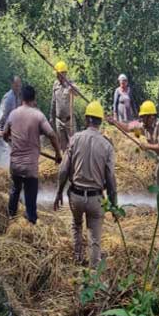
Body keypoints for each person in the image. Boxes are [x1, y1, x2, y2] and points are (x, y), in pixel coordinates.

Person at [54, 101, 117, 267]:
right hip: (96, 199)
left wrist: (59, 192)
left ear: (87, 119)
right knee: (95, 238)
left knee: (76, 225)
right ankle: (93, 271)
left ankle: (77, 257)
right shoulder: (107, 145)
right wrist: (114, 205)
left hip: (76, 196)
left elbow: (63, 170)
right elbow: (110, 179)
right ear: (100, 121)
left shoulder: (75, 139)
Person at [3, 85, 62, 224]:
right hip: (30, 167)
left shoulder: (13, 114)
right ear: (34, 99)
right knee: (30, 197)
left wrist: (10, 140)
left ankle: (11, 218)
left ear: (21, 98)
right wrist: (58, 154)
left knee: (15, 190)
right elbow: (52, 134)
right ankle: (31, 223)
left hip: (15, 165)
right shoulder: (38, 115)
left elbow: (5, 134)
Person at [110, 100, 159, 197]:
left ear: (151, 117)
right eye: (142, 117)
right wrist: (114, 122)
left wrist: (147, 146)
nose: (142, 119)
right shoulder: (144, 127)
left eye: (144, 117)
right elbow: (127, 127)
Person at [50, 61, 76, 151]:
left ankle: (74, 164)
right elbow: (53, 101)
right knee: (63, 147)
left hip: (69, 121)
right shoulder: (55, 84)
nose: (57, 76)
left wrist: (71, 88)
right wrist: (51, 117)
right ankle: (65, 163)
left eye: (58, 74)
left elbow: (77, 92)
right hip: (58, 121)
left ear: (64, 73)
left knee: (73, 146)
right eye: (56, 74)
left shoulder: (70, 84)